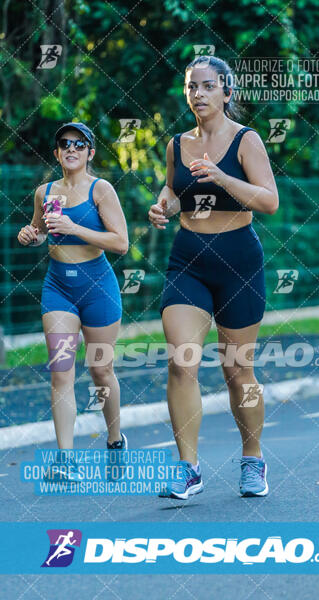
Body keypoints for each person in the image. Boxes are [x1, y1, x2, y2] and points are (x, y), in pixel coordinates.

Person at [148, 56, 279, 498]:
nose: (198, 94)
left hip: (238, 261)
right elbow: (173, 189)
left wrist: (223, 177)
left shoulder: (246, 140)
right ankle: (188, 468)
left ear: (227, 91)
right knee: (182, 361)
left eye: (207, 86)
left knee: (237, 369)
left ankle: (253, 459)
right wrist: (163, 205)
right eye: (191, 87)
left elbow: (268, 201)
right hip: (189, 260)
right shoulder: (176, 144)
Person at [17, 122, 129, 479]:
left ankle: (115, 440)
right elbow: (41, 232)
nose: (71, 149)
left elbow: (121, 243)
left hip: (97, 287)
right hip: (58, 289)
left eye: (79, 144)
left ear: (90, 153)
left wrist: (75, 228)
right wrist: (30, 235)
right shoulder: (45, 191)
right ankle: (67, 461)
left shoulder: (101, 189)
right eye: (64, 144)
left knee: (100, 369)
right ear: (56, 153)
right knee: (61, 373)